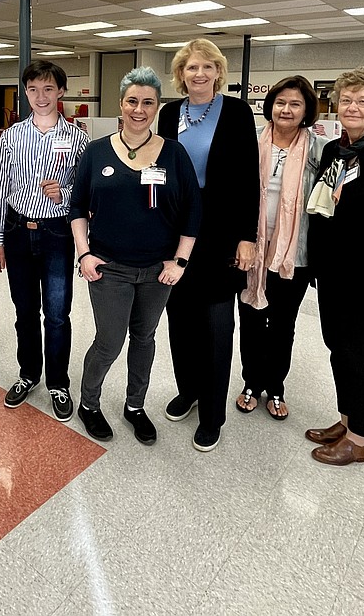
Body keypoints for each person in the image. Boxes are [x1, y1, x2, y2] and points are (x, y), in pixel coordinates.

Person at [70, 67, 201, 444]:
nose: (139, 109)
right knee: (109, 341)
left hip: (157, 271)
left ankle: (134, 406)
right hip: (109, 268)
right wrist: (85, 255)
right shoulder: (95, 152)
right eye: (132, 101)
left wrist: (180, 261)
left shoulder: (173, 154)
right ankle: (89, 404)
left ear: (157, 107)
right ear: (121, 104)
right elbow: (77, 207)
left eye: (148, 102)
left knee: (144, 338)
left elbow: (193, 210)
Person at [157, 39, 259, 452]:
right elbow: (157, 170)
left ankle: (213, 412)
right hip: (174, 230)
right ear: (180, 74)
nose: (198, 74)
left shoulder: (236, 112)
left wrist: (247, 237)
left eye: (206, 67)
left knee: (216, 324)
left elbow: (249, 179)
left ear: (218, 72)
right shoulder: (168, 113)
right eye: (190, 68)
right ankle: (190, 391)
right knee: (179, 319)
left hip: (220, 233)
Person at [306, 67, 364, 466]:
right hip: (333, 272)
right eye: (346, 100)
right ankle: (347, 419)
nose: (353, 107)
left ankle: (360, 440)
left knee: (361, 353)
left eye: (363, 101)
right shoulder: (335, 150)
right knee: (337, 348)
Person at [0, 60, 88, 421]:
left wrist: (65, 191)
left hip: (57, 233)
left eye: (48, 89)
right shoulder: (12, 136)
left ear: (60, 92)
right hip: (17, 230)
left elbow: (87, 191)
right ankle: (28, 373)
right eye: (33, 89)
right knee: (25, 311)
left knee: (58, 314)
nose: (40, 96)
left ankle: (58, 383)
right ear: (26, 92)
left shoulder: (78, 138)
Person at [236, 76, 327, 420]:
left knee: (283, 323)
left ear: (306, 111)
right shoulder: (251, 143)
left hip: (294, 253)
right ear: (270, 106)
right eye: (280, 102)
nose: (286, 110)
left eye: (295, 104)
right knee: (250, 318)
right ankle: (250, 382)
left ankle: (275, 386)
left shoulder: (319, 149)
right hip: (251, 248)